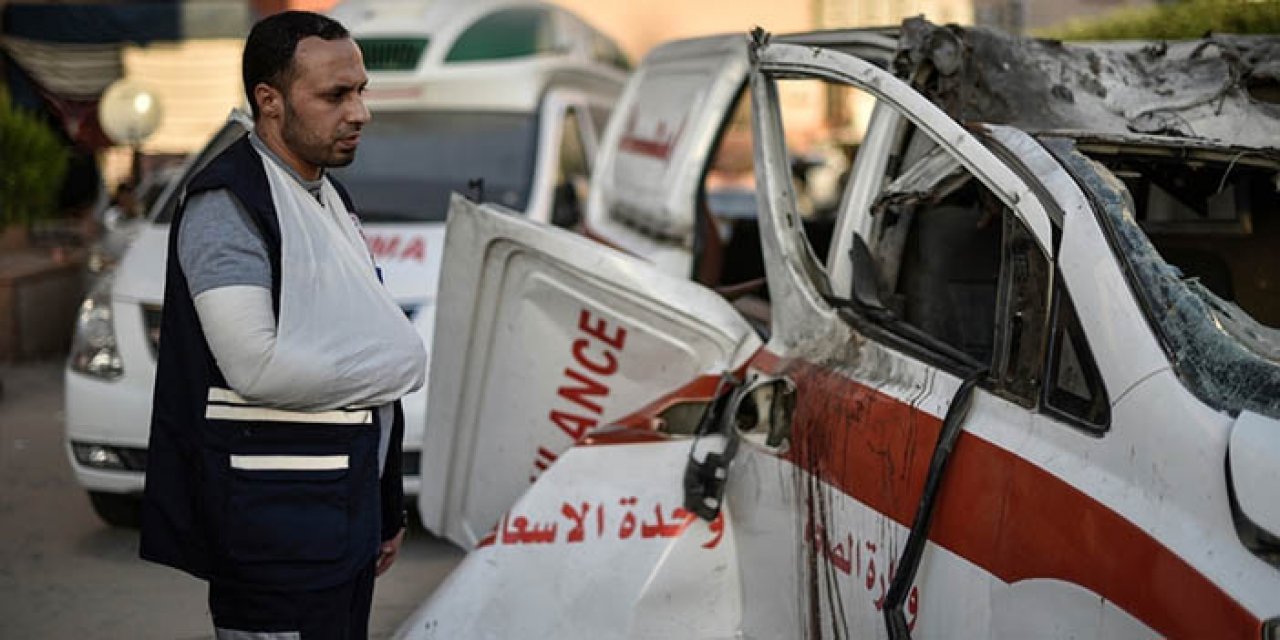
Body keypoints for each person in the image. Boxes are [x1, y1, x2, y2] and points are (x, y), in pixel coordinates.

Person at [139, 11, 426, 639]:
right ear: (269, 101)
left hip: (339, 524)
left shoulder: (326, 197)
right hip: (274, 534)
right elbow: (256, 367)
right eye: (335, 95)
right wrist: (402, 363)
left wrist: (384, 507)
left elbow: (354, 351)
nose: (360, 113)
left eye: (360, 91)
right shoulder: (229, 205)